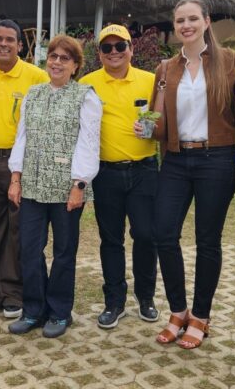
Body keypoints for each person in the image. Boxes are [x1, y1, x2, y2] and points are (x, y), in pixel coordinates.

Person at [150, 0, 235, 349]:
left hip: (216, 158)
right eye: (180, 20)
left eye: (192, 19)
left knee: (207, 240)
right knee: (163, 234)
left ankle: (201, 316)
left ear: (206, 21)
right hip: (175, 160)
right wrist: (147, 127)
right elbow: (158, 124)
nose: (186, 25)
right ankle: (178, 311)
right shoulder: (165, 68)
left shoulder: (231, 61)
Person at [6, 34, 101, 338]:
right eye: (53, 57)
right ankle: (34, 310)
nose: (57, 62)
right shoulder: (33, 94)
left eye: (65, 58)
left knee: (63, 252)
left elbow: (89, 143)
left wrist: (79, 184)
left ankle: (60, 313)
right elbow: (22, 137)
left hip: (67, 189)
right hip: (32, 186)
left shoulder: (85, 96)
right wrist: (15, 178)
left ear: (75, 65)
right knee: (30, 249)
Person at [79, 24, 160, 329]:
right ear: (99, 53)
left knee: (146, 236)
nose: (114, 52)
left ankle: (146, 297)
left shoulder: (151, 80)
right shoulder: (87, 84)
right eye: (107, 47)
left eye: (120, 46)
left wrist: (152, 127)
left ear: (131, 49)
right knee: (111, 239)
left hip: (144, 170)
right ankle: (114, 302)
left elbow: (161, 117)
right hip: (106, 172)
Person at [0, 19, 50, 319]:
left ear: (20, 44)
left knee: (19, 229)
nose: (3, 44)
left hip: (23, 163)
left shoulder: (36, 76)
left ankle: (15, 292)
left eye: (10, 40)